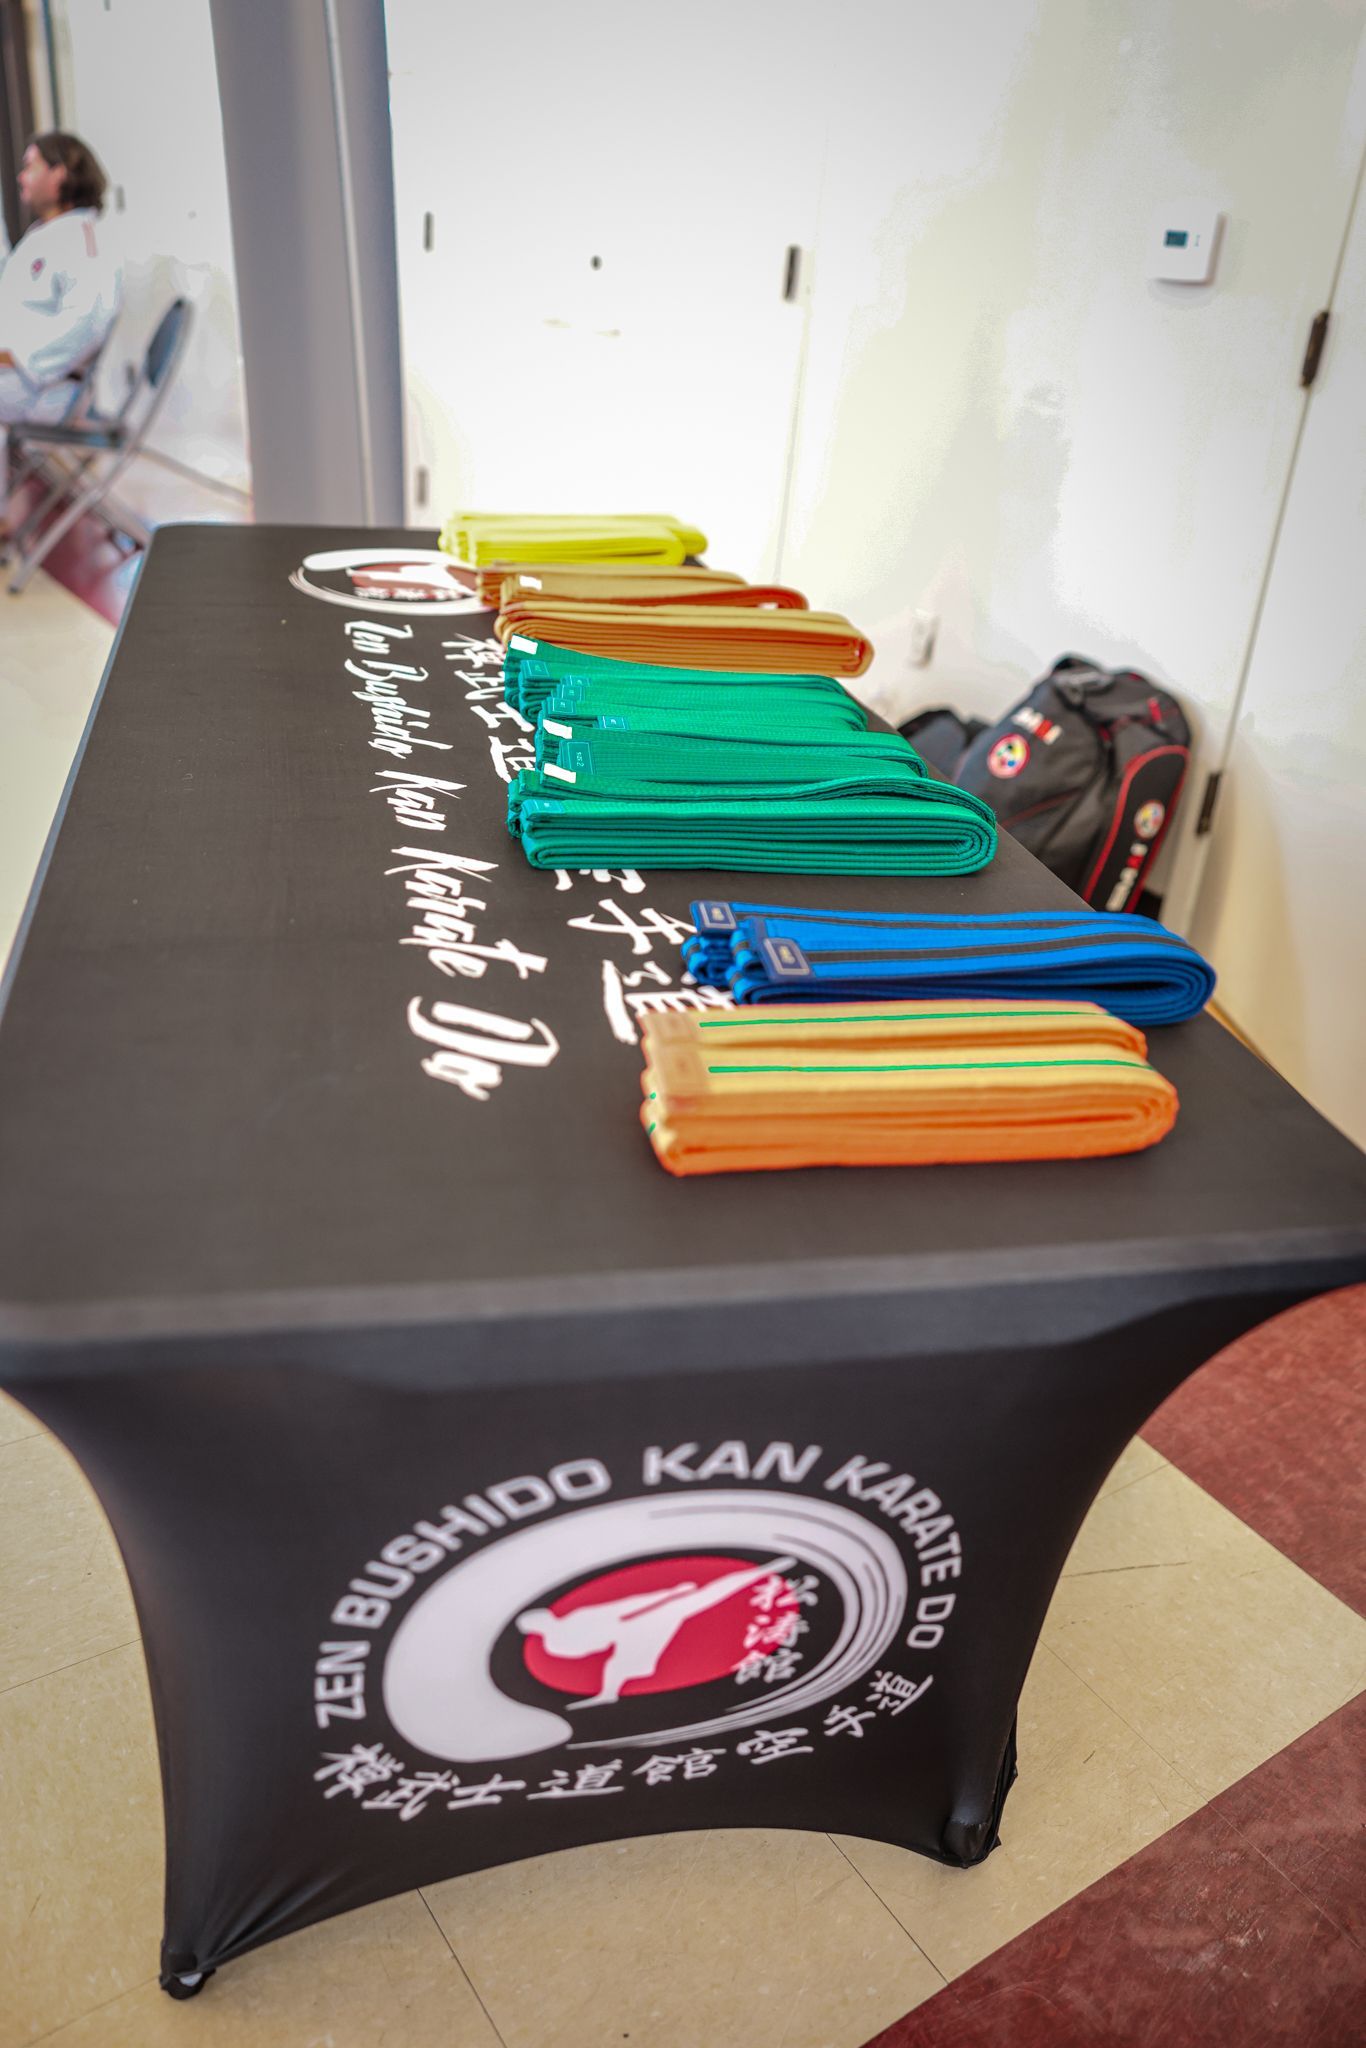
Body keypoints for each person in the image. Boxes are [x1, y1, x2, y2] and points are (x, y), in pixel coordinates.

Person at [0, 132, 121, 428]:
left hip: (41, 387)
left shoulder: (83, 238)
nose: (21, 177)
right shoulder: (46, 235)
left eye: (30, 166)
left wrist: (14, 359)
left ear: (59, 173)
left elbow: (90, 320)